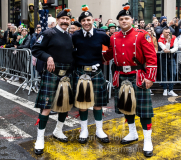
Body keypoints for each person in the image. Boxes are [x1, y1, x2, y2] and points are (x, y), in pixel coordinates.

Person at [103, 2, 157, 157]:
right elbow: (108, 55)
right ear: (118, 22)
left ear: (132, 20)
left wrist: (150, 77)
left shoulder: (142, 35)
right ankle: (132, 133)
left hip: (138, 75)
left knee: (144, 110)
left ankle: (147, 140)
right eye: (121, 19)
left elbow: (151, 57)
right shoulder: (113, 37)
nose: (124, 21)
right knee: (127, 107)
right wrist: (91, 55)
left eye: (126, 18)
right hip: (120, 76)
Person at [32, 8, 74, 155]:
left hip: (66, 76)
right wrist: (48, 57)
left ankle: (58, 130)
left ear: (70, 21)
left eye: (67, 20)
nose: (65, 21)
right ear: (57, 20)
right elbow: (35, 49)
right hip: (51, 74)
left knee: (64, 105)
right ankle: (40, 138)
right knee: (46, 107)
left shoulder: (69, 36)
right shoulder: (48, 33)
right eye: (62, 19)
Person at [72, 5, 110, 144]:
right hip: (81, 72)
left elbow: (112, 47)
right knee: (83, 103)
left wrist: (105, 59)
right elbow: (70, 51)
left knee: (98, 103)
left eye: (88, 20)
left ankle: (99, 130)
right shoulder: (75, 36)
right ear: (80, 22)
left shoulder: (101, 35)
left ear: (92, 20)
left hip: (97, 72)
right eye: (83, 21)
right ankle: (84, 130)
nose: (86, 22)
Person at [158, 27, 178, 97]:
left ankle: (171, 90)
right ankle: (165, 89)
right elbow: (165, 49)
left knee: (173, 73)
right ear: (163, 33)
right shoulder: (160, 39)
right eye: (166, 32)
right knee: (164, 74)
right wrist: (168, 42)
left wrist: (170, 51)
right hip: (164, 58)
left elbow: (176, 48)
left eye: (169, 32)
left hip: (172, 57)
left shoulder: (174, 37)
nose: (168, 34)